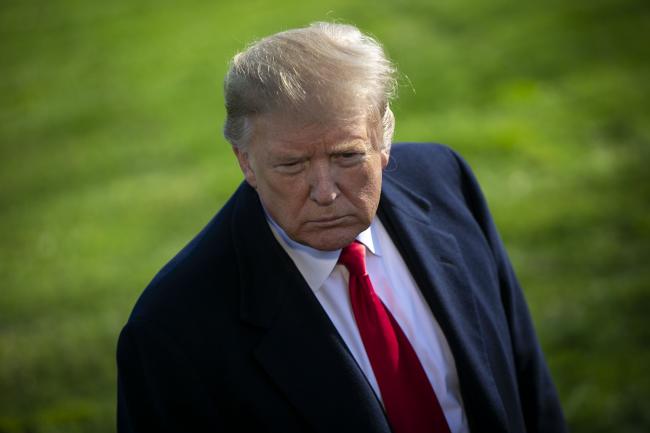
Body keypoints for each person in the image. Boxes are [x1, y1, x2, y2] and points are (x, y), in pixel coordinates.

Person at [116, 22, 566, 433]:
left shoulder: (446, 181)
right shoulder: (170, 332)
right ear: (245, 161)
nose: (325, 192)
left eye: (347, 156)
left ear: (383, 135)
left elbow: (527, 386)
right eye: (292, 165)